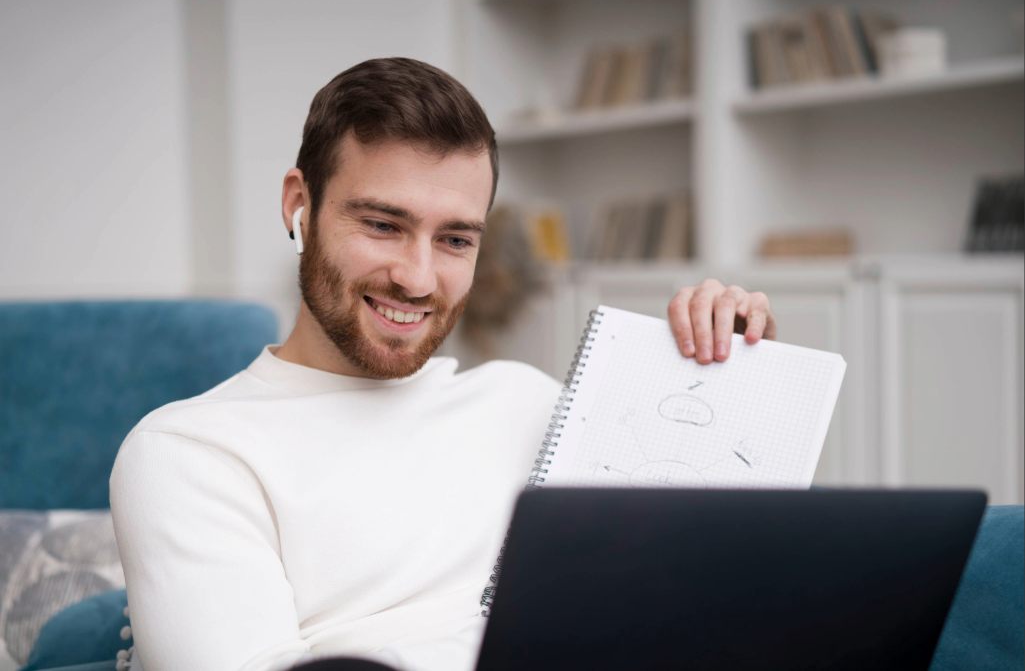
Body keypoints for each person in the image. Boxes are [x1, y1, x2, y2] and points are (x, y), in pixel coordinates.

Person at [109, 57, 776, 671]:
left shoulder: (527, 402)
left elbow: (704, 581)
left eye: (454, 239)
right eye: (381, 225)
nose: (418, 277)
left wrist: (731, 369)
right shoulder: (190, 454)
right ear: (298, 206)